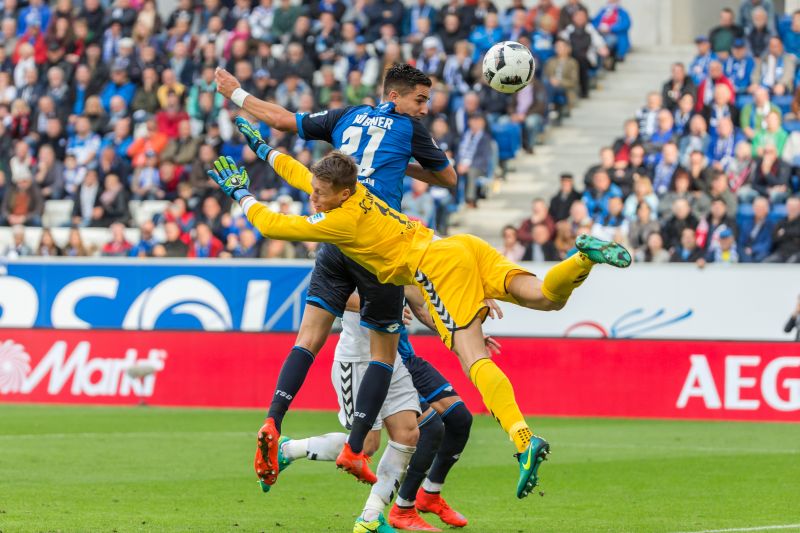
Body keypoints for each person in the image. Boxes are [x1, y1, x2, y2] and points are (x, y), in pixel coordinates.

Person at [208, 140, 630, 508]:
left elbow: (272, 224)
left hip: (438, 269)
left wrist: (241, 193)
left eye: (320, 195)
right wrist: (266, 151)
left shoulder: (341, 220)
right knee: (545, 298)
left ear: (340, 195)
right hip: (460, 246)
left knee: (473, 355)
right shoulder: (356, 194)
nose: (313, 199)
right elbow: (307, 177)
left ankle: (523, 441)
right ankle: (582, 258)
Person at [214, 64, 458, 530]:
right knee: (381, 378)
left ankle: (369, 511)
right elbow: (447, 180)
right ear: (396, 96)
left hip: (347, 242)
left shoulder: (347, 119)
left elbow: (293, 141)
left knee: (402, 424)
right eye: (421, 100)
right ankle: (335, 452)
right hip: (376, 247)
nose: (425, 108)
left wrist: (241, 105)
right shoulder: (409, 132)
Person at [763, 196, 800, 263]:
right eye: (790, 206)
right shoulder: (781, 222)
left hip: (797, 253)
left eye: (795, 206)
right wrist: (793, 237)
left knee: (791, 264)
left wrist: (785, 232)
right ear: (787, 207)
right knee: (766, 263)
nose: (792, 208)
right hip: (781, 253)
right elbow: (774, 238)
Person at [738, 196, 773, 262]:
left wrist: (752, 250)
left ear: (767, 209)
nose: (759, 209)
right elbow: (741, 241)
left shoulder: (770, 225)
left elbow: (768, 244)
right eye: (757, 207)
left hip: (760, 253)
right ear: (753, 208)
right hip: (746, 252)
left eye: (761, 207)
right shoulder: (746, 223)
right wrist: (744, 250)